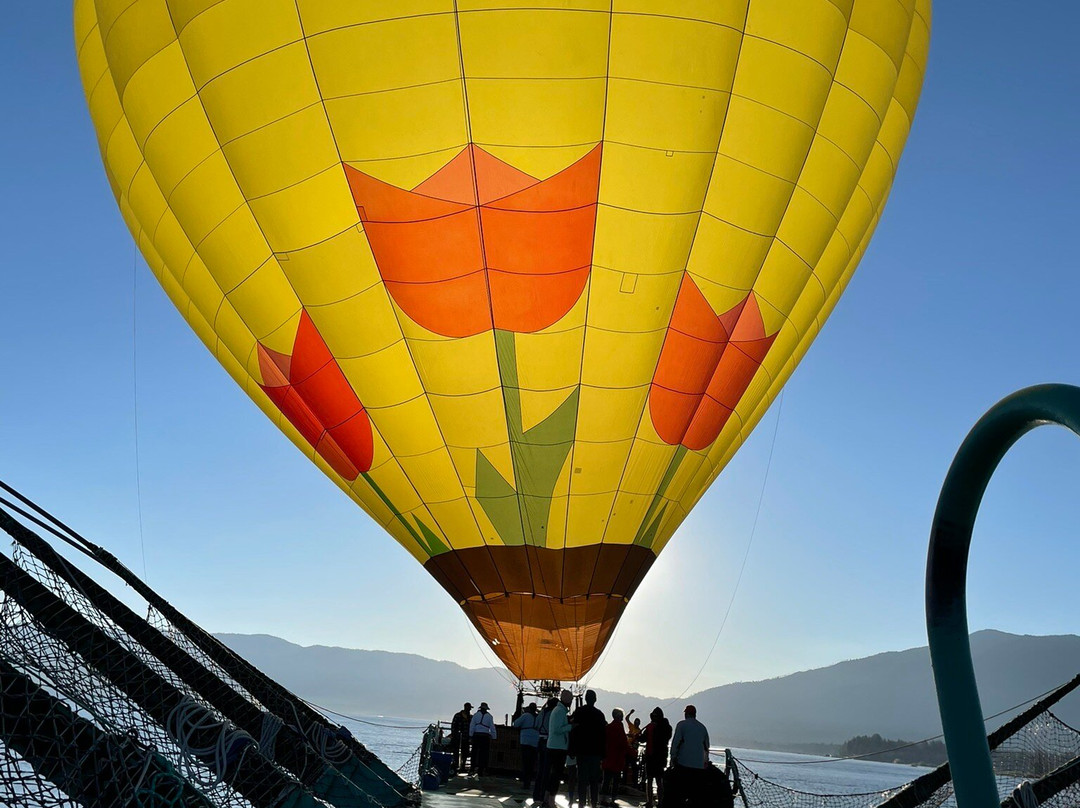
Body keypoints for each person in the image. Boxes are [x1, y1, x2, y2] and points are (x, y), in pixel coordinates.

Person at [669, 705, 709, 808]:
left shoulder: (682, 725)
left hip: (683, 764)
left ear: (686, 714)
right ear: (695, 714)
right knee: (694, 795)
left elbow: (675, 743)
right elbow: (706, 746)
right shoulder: (702, 727)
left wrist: (673, 757)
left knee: (680, 793)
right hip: (699, 767)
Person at [571, 690, 606, 808]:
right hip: (595, 752)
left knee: (582, 780)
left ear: (585, 699)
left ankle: (581, 803)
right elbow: (603, 735)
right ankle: (594, 804)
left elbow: (574, 731)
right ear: (595, 699)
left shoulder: (579, 712)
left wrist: (572, 750)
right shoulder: (599, 715)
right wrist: (603, 754)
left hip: (582, 751)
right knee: (594, 781)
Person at [544, 690, 574, 808]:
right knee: (556, 775)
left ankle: (547, 798)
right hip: (558, 747)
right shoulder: (560, 711)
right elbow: (557, 729)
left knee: (552, 775)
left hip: (553, 746)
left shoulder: (557, 710)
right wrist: (571, 726)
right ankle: (551, 800)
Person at [642, 707, 672, 808]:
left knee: (651, 780)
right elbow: (643, 738)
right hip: (659, 757)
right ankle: (658, 802)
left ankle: (651, 802)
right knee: (658, 780)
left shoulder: (656, 727)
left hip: (653, 757)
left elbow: (643, 739)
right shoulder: (666, 727)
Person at [533, 697, 558, 802]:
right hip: (549, 741)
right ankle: (544, 794)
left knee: (541, 770)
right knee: (547, 771)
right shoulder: (553, 714)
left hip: (540, 740)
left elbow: (536, 725)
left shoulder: (542, 712)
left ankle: (537, 794)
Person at [601, 708, 629, 806]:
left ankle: (603, 798)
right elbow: (624, 743)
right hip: (617, 759)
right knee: (616, 781)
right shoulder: (619, 727)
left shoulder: (608, 727)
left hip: (608, 757)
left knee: (606, 780)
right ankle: (613, 799)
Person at [512, 702, 541, 791]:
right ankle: (529, 780)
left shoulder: (525, 716)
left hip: (525, 741)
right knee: (532, 763)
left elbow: (515, 724)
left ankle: (525, 782)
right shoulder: (538, 717)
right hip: (535, 742)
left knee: (525, 763)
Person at [469, 702, 498, 778]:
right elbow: (492, 727)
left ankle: (472, 768)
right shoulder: (489, 716)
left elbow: (472, 725)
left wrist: (470, 735)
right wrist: (494, 737)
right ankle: (480, 771)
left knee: (474, 753)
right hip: (485, 736)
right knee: (483, 754)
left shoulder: (475, 715)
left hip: (476, 735)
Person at [450, 702, 473, 772]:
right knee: (456, 751)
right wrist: (454, 734)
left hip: (466, 738)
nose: (469, 709)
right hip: (457, 737)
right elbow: (453, 726)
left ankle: (463, 766)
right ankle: (456, 765)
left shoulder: (471, 717)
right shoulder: (457, 715)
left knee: (465, 752)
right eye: (469, 708)